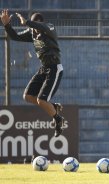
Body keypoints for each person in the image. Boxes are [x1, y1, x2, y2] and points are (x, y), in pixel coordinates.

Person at [0, 9, 65, 137]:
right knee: (28, 96)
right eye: (33, 28)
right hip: (44, 68)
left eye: (36, 27)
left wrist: (28, 22)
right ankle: (52, 106)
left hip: (54, 68)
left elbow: (41, 26)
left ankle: (58, 119)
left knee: (41, 100)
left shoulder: (49, 28)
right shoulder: (32, 32)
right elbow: (15, 36)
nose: (35, 31)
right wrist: (7, 24)